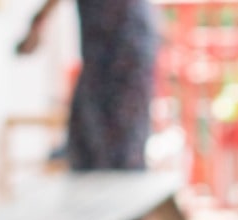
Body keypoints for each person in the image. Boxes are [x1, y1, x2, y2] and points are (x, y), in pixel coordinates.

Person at [16, 0, 158, 171]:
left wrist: (37, 23)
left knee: (122, 146)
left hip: (127, 46)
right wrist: (38, 23)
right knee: (86, 139)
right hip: (102, 52)